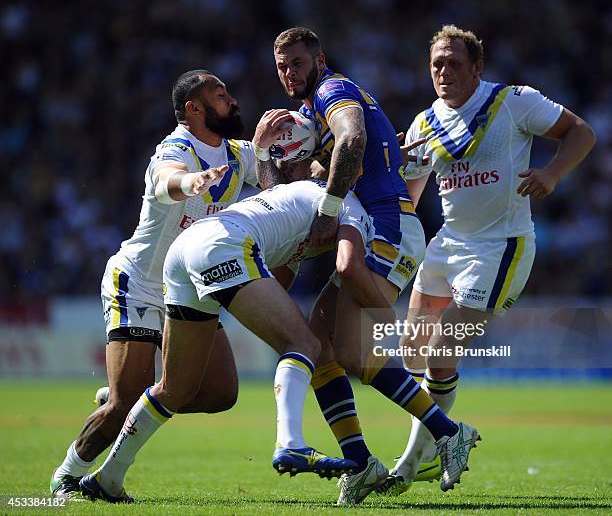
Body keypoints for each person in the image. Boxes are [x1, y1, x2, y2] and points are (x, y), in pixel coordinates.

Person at [256, 27, 479, 504]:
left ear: (319, 59)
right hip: (371, 225)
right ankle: (361, 462)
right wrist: (262, 152)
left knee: (358, 355)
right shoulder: (306, 113)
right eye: (281, 66)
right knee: (316, 347)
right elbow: (291, 183)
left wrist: (330, 207)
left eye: (296, 62)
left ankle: (446, 432)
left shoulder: (332, 90)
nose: (288, 73)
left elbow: (352, 137)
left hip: (388, 225)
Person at [379, 24, 596, 495]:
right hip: (447, 245)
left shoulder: (512, 101)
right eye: (436, 62)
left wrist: (554, 174)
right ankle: (440, 442)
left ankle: (415, 459)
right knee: (414, 353)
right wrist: (388, 169)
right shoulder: (424, 123)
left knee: (440, 354)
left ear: (477, 68)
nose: (443, 71)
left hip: (499, 246)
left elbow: (581, 132)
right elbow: (408, 199)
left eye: (454, 62)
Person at [78, 178, 375, 502]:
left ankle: (107, 478)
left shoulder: (298, 197)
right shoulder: (351, 207)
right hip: (224, 246)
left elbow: (275, 283)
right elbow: (347, 267)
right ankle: (291, 444)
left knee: (175, 389)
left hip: (185, 251)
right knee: (305, 345)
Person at [50, 69, 265, 499]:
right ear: (194, 108)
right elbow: (168, 180)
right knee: (122, 405)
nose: (232, 100)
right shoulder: (176, 148)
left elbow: (281, 172)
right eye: (220, 96)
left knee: (221, 393)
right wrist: (190, 182)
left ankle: (134, 395)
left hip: (186, 287)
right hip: (140, 282)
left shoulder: (240, 155)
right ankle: (68, 474)